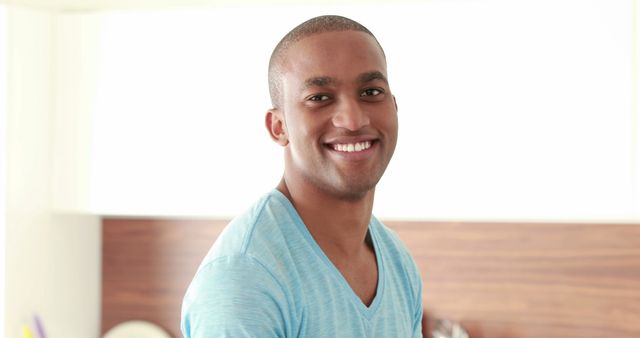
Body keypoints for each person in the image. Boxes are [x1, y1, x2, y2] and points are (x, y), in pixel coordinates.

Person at [181, 15, 425, 337]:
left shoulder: (397, 263)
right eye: (319, 98)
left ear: (394, 106)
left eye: (370, 91)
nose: (352, 119)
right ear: (278, 127)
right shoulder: (246, 277)